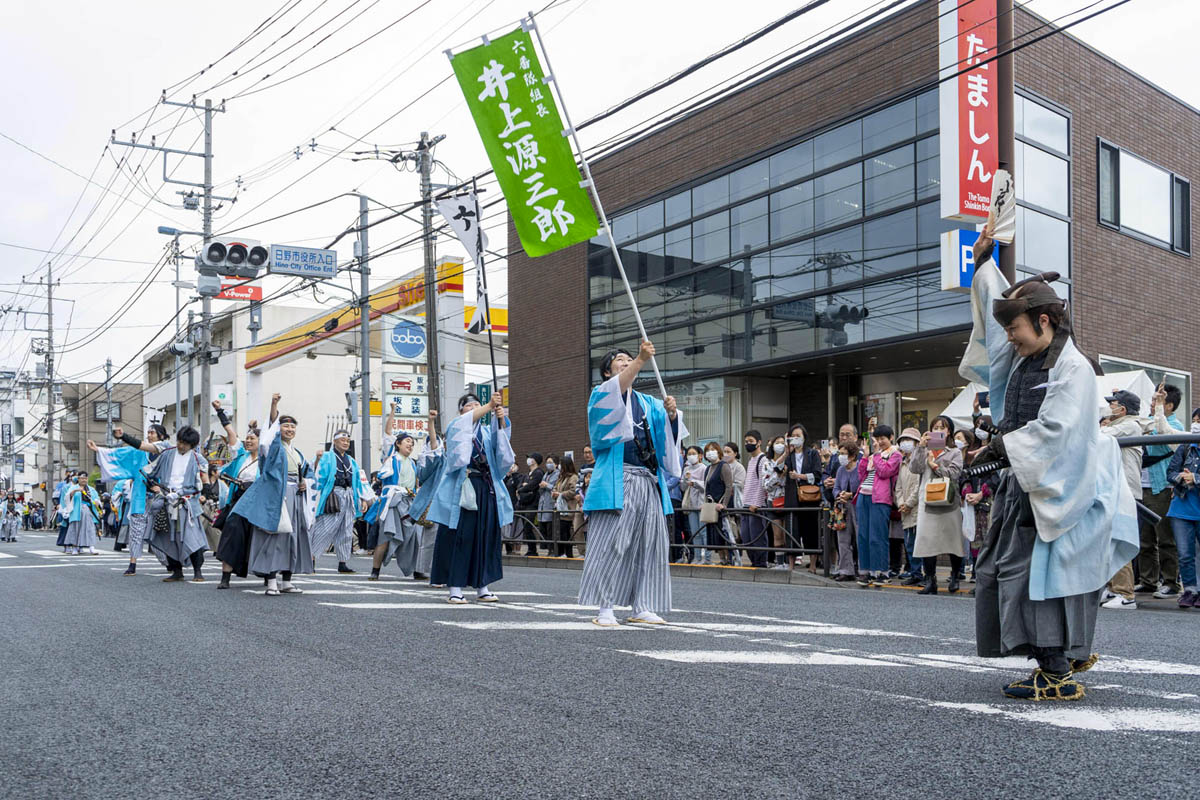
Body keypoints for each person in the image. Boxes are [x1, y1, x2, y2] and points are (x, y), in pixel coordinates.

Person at [964, 243, 1138, 701]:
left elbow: (1058, 429)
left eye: (1015, 328)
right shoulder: (1026, 355)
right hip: (1028, 479)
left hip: (1058, 484)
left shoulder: (1073, 366)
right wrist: (986, 260)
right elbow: (993, 297)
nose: (1009, 338)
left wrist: (999, 447)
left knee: (1034, 575)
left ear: (1043, 321)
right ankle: (1062, 656)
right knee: (1015, 570)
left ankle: (1057, 670)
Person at [579, 342, 685, 626]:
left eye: (629, 359)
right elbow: (614, 399)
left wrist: (673, 416)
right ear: (606, 372)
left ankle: (642, 604)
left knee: (649, 546)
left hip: (649, 480)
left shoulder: (649, 403)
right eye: (619, 360)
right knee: (612, 544)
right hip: (619, 479)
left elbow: (667, 440)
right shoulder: (601, 394)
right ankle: (605, 607)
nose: (626, 363)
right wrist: (640, 359)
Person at [416, 392, 513, 604]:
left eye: (476, 405)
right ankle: (455, 587)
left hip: (485, 487)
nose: (474, 408)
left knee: (484, 536)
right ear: (461, 412)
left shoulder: (487, 432)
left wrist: (500, 419)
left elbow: (503, 449)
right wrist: (488, 406)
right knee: (460, 537)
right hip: (462, 487)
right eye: (469, 406)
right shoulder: (456, 426)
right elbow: (458, 449)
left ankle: (482, 586)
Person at [236, 394, 315, 596]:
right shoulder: (271, 447)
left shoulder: (297, 452)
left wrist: (305, 483)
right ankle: (271, 580)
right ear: (277, 430)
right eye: (285, 426)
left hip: (295, 495)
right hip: (277, 496)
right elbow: (268, 433)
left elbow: (308, 474)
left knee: (293, 537)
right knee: (273, 537)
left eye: (292, 427)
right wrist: (274, 405)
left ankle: (287, 580)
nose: (289, 429)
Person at [370, 417, 438, 580]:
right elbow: (387, 433)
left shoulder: (414, 463)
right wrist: (392, 411)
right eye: (407, 441)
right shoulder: (391, 457)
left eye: (413, 443)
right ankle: (375, 570)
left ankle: (417, 569)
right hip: (393, 502)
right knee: (386, 536)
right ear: (398, 444)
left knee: (415, 536)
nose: (410, 445)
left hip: (410, 502)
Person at [99, 423, 171, 575]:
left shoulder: (167, 450)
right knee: (136, 531)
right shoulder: (139, 452)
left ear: (161, 436)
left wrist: (162, 488)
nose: (149, 435)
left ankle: (168, 563)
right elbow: (121, 454)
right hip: (140, 497)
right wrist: (100, 451)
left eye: (153, 432)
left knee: (158, 532)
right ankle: (132, 564)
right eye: (148, 433)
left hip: (161, 498)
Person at [142, 425, 210, 582]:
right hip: (167, 500)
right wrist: (155, 488)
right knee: (168, 537)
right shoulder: (167, 454)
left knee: (192, 537)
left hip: (187, 504)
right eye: (179, 441)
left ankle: (197, 571)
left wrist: (204, 495)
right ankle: (176, 570)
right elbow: (150, 473)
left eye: (185, 444)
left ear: (192, 445)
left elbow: (204, 480)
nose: (180, 446)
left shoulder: (198, 459)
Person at [1136, 384, 1184, 599]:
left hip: (1162, 488)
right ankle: (1148, 580)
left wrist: (1156, 411)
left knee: (1165, 538)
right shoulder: (1148, 421)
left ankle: (1171, 582)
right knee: (1145, 539)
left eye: (1157, 402)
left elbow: (1162, 431)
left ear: (1169, 405)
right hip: (1142, 486)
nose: (1152, 404)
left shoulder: (1174, 425)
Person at [1098, 390, 1144, 610]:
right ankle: (1111, 587)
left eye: (1113, 404)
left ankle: (1126, 594)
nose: (1110, 407)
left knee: (1118, 539)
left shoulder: (1131, 425)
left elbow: (1101, 434)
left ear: (1123, 409)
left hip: (1125, 492)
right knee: (1106, 540)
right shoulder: (1124, 424)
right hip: (1114, 490)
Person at [910, 416, 965, 595]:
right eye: (935, 427)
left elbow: (955, 473)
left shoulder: (954, 452)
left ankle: (955, 575)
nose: (939, 430)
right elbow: (914, 468)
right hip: (928, 501)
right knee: (927, 541)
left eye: (943, 427)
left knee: (953, 540)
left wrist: (936, 467)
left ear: (949, 431)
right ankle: (930, 579)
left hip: (949, 501)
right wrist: (920, 447)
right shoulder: (924, 449)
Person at [309, 429, 371, 574]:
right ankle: (311, 558)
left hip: (349, 494)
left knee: (347, 529)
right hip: (334, 494)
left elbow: (358, 482)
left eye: (347, 441)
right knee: (325, 527)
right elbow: (317, 474)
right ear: (335, 441)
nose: (345, 443)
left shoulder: (352, 461)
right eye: (342, 440)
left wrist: (362, 499)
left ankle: (343, 562)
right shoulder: (327, 456)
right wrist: (318, 460)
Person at [214, 409, 259, 590]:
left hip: (258, 501)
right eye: (247, 438)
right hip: (239, 500)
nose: (248, 441)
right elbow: (231, 433)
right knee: (231, 530)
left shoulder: (267, 460)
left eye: (252, 439)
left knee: (260, 537)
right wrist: (219, 411)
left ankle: (267, 574)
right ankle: (225, 576)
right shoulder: (241, 456)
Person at [1165, 434, 1200, 609]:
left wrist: (1196, 478)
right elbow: (1170, 472)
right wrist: (1182, 477)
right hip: (1181, 508)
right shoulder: (1186, 446)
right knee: (1185, 554)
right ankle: (1190, 590)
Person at [784, 424, 823, 572]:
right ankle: (791, 564)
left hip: (809, 496)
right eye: (793, 436)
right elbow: (778, 471)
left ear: (804, 437)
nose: (796, 439)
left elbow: (818, 474)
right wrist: (786, 453)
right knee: (792, 530)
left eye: (798, 436)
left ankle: (813, 564)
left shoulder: (812, 454)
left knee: (810, 530)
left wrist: (800, 476)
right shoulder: (789, 456)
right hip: (792, 496)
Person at [893, 428, 924, 585]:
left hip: (917, 509)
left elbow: (919, 486)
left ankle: (919, 572)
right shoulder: (902, 464)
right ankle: (915, 572)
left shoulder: (920, 461)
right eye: (902, 440)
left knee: (918, 542)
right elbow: (898, 487)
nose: (905, 443)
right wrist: (901, 503)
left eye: (908, 440)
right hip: (905, 509)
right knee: (909, 543)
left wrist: (909, 503)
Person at [740, 430, 771, 568]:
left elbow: (762, 484)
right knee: (746, 536)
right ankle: (754, 562)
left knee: (757, 536)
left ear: (759, 442)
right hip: (746, 504)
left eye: (751, 441)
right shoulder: (751, 460)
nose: (748, 444)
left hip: (756, 506)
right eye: (746, 442)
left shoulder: (763, 459)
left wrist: (757, 504)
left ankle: (761, 563)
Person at [831, 442, 861, 581]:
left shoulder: (860, 467)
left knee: (859, 537)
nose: (841, 457)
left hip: (857, 505)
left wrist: (852, 494)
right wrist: (839, 495)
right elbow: (835, 487)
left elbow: (862, 486)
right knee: (842, 539)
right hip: (842, 507)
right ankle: (845, 570)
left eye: (843, 454)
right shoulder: (840, 470)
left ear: (852, 455)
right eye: (840, 454)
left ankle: (862, 568)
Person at [701, 442, 734, 566]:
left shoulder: (723, 466)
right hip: (711, 505)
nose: (710, 452)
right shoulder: (708, 468)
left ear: (718, 451)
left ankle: (729, 559)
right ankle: (721, 559)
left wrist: (724, 504)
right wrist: (705, 503)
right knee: (714, 533)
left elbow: (729, 486)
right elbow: (706, 487)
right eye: (707, 450)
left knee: (724, 532)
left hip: (721, 506)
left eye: (713, 449)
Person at [762, 435, 790, 568]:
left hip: (789, 501)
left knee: (788, 534)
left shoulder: (790, 461)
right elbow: (766, 485)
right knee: (777, 533)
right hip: (773, 501)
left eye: (782, 443)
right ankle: (780, 563)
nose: (779, 445)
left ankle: (788, 562)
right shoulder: (767, 463)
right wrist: (778, 476)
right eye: (777, 443)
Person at [61, 476, 102, 555]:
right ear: (78, 479)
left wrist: (97, 502)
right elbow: (67, 497)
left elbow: (97, 499)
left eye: (85, 478)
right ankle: (75, 548)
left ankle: (91, 547)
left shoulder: (91, 489)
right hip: (76, 511)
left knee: (90, 529)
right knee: (75, 529)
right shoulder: (73, 488)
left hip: (89, 511)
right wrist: (75, 490)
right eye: (82, 478)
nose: (84, 480)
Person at [515, 453, 545, 556]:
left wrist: (523, 488)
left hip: (532, 503)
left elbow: (532, 485)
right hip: (524, 502)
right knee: (525, 526)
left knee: (528, 526)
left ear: (535, 460)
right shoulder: (527, 474)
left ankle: (533, 550)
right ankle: (530, 549)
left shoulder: (538, 473)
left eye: (530, 458)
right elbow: (520, 484)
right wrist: (521, 487)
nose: (528, 460)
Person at [682, 445, 707, 564]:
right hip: (691, 504)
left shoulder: (704, 468)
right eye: (689, 454)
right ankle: (697, 557)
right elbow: (682, 487)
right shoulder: (686, 469)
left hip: (702, 503)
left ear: (700, 455)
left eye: (693, 453)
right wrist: (685, 480)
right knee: (695, 532)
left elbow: (706, 486)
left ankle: (707, 558)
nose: (691, 456)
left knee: (703, 532)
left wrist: (694, 482)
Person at [551, 455, 581, 558]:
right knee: (560, 531)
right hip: (560, 508)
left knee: (566, 532)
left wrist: (560, 494)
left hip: (568, 508)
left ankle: (568, 553)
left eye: (561, 464)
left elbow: (573, 491)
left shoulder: (573, 477)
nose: (560, 466)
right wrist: (554, 492)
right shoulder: (561, 477)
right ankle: (561, 552)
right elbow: (555, 487)